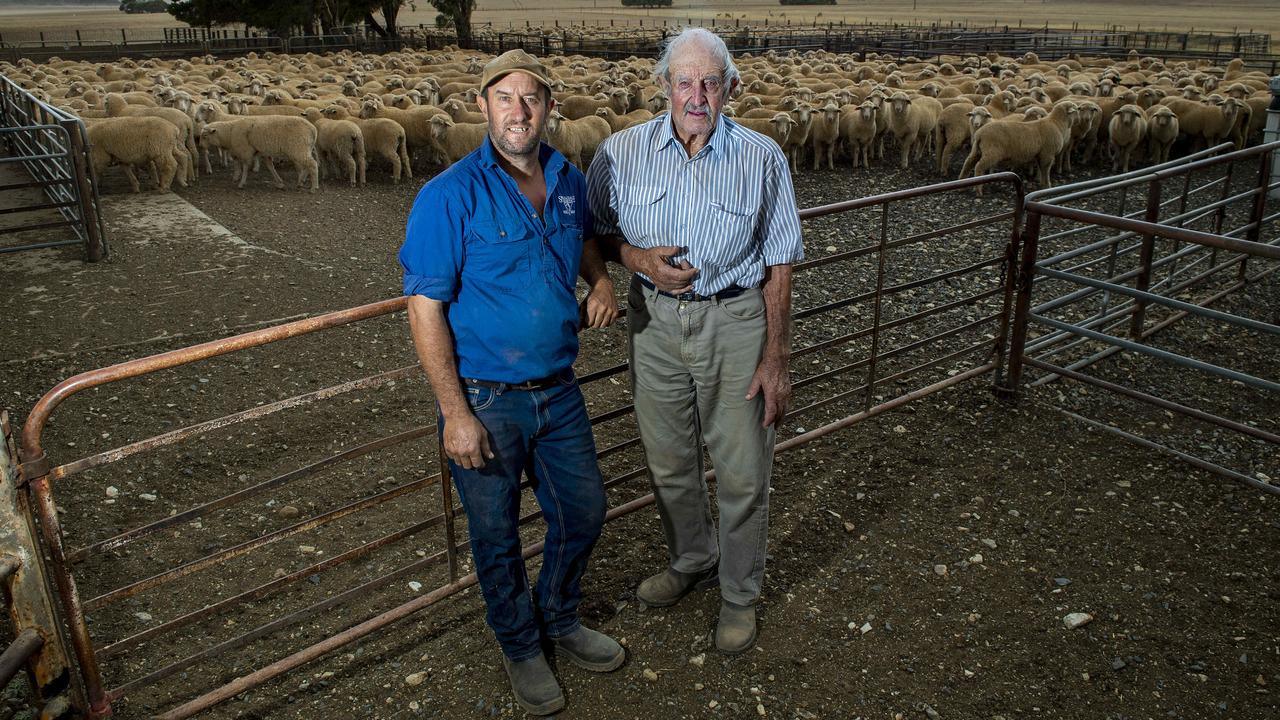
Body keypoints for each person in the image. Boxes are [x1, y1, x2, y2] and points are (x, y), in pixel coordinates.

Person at [399, 49, 623, 716]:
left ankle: (558, 614)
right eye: (505, 97)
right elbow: (425, 309)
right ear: (483, 106)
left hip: (558, 388)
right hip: (486, 399)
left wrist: (602, 277)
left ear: (550, 107)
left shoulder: (566, 176)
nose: (519, 110)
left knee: (583, 511)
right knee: (495, 534)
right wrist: (454, 414)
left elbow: (581, 235)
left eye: (531, 97)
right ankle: (520, 645)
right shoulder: (448, 195)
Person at [585, 27, 804, 655]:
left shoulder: (761, 157)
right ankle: (692, 557)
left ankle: (739, 593)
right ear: (663, 86)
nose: (697, 94)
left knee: (741, 470)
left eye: (711, 81)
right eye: (685, 81)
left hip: (735, 321)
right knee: (669, 461)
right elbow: (594, 235)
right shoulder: (619, 153)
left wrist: (776, 358)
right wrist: (638, 260)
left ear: (730, 86)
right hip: (652, 323)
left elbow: (781, 261)